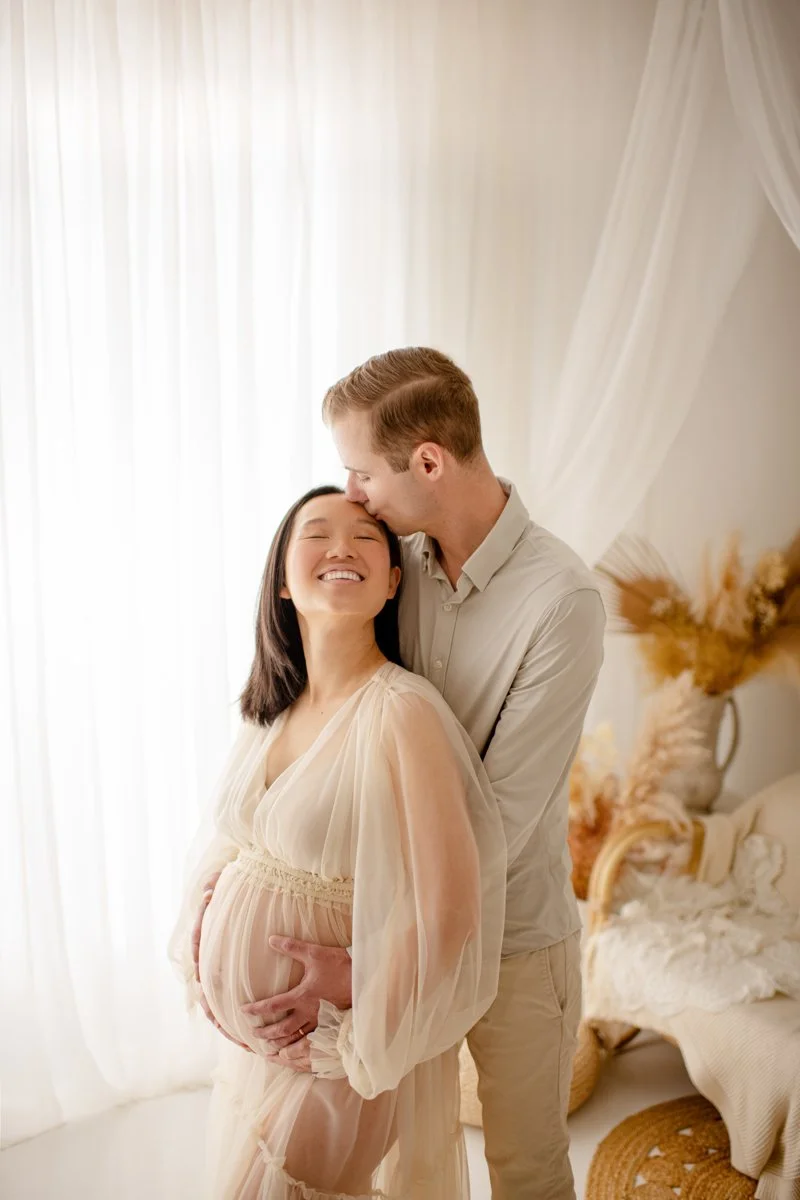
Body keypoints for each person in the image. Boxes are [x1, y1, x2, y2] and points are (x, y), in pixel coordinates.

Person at [228, 348, 607, 1200]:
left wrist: (376, 960)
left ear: (428, 462)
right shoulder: (390, 557)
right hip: (392, 935)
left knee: (526, 1169)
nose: (353, 494)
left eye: (361, 472)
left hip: (511, 942)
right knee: (403, 1163)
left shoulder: (561, 601)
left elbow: (498, 820)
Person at [169, 484, 507, 1199]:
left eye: (366, 538)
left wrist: (360, 985)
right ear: (282, 582)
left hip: (340, 1037)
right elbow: (239, 842)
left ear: (392, 584)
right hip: (261, 1047)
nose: (341, 547)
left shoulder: (403, 712)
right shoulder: (275, 707)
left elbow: (451, 908)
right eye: (316, 533)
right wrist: (207, 922)